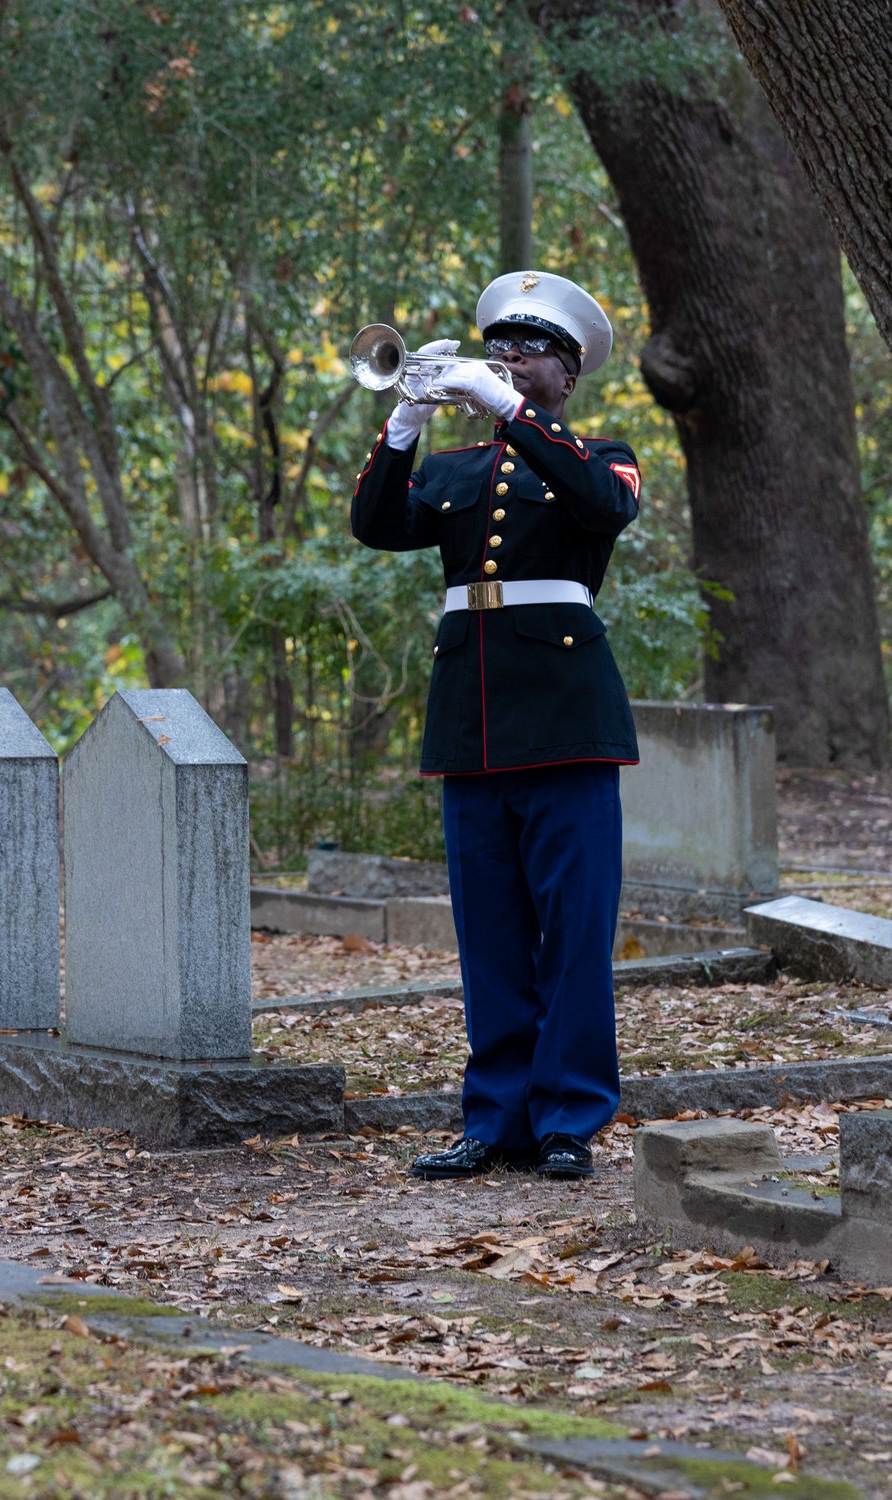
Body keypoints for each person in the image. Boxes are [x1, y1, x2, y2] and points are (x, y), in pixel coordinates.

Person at [351, 271, 641, 1180]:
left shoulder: (600, 455)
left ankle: (568, 1120)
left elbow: (604, 506)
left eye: (529, 352)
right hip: (471, 723)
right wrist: (405, 424)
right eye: (500, 349)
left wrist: (507, 408)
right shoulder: (453, 470)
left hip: (567, 722)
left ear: (566, 374)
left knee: (575, 932)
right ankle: (495, 1121)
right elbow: (376, 523)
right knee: (491, 940)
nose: (507, 359)